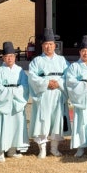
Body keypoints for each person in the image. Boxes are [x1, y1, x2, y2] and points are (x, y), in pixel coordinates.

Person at [28, 28, 69, 158]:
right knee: (43, 120)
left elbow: (68, 75)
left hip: (57, 93)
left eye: (51, 44)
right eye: (46, 44)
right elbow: (32, 77)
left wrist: (59, 83)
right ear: (42, 46)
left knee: (57, 119)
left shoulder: (62, 60)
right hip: (44, 94)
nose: (48, 47)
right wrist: (46, 83)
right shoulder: (37, 61)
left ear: (55, 45)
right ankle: (43, 148)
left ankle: (54, 147)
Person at [0, 41, 29, 162]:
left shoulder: (20, 70)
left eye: (12, 56)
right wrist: (11, 92)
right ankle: (1, 151)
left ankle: (12, 149)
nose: (10, 58)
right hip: (4, 102)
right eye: (7, 56)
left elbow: (25, 86)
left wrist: (15, 92)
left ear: (15, 57)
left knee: (16, 125)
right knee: (3, 126)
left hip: (16, 102)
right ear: (3, 57)